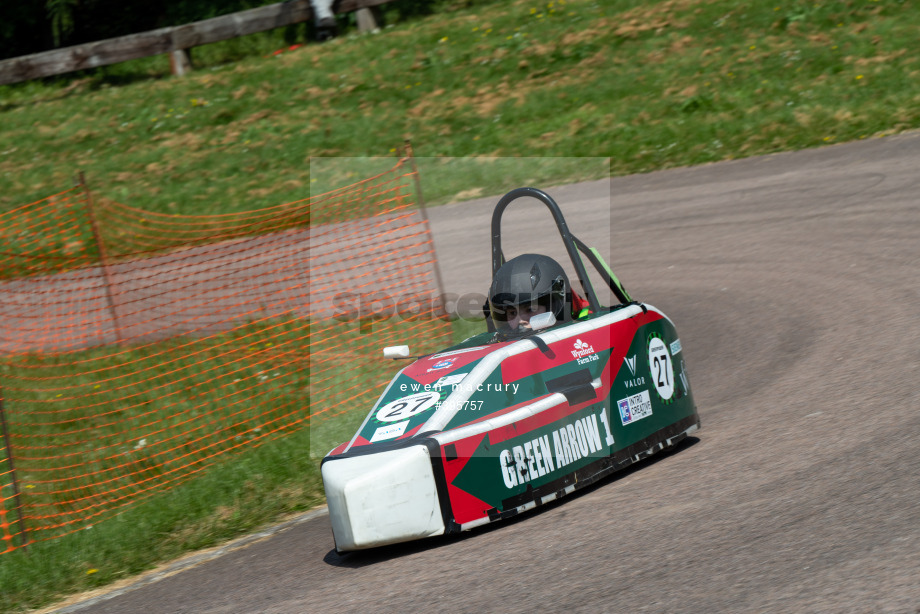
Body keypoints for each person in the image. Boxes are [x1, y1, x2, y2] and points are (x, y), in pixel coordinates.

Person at [486, 253, 571, 338]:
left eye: (530, 309)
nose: (520, 321)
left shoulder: (581, 334)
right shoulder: (504, 345)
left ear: (552, 306)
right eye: (513, 313)